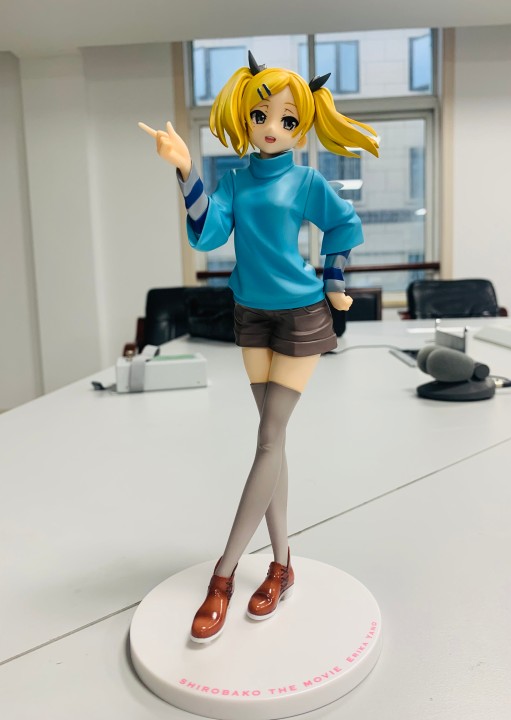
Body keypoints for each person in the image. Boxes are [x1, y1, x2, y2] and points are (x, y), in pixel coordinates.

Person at [139, 52, 379, 643]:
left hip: (301, 316)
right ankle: (282, 565)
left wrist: (334, 278)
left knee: (269, 438)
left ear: (302, 127)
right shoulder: (234, 181)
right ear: (244, 117)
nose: (272, 127)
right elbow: (209, 234)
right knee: (275, 443)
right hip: (249, 315)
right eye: (261, 115)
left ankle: (223, 575)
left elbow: (344, 226)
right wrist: (186, 170)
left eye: (287, 120)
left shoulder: (306, 182)